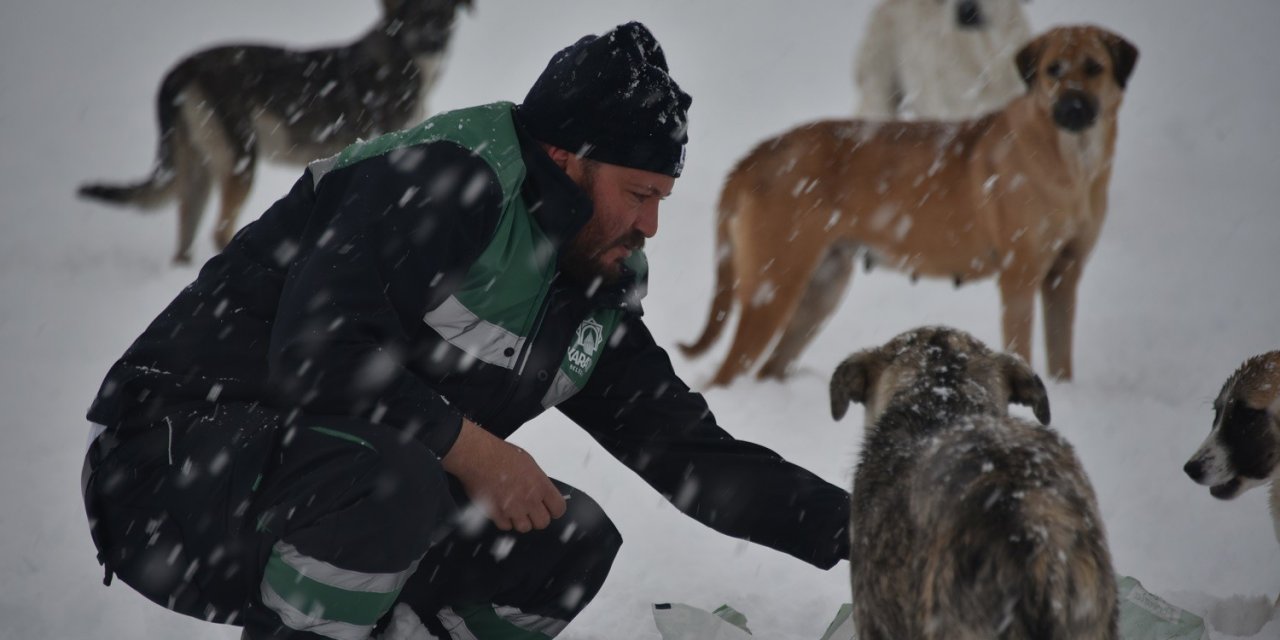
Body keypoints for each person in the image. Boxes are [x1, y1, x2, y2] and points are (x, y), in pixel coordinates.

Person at [81, 21, 850, 640]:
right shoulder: (446, 179)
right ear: (566, 159)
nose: (651, 224)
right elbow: (317, 352)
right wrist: (473, 448)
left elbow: (691, 456)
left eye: (663, 198)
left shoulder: (585, 282)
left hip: (321, 486)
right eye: (639, 193)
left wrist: (873, 529)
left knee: (565, 545)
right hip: (166, 471)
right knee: (398, 481)